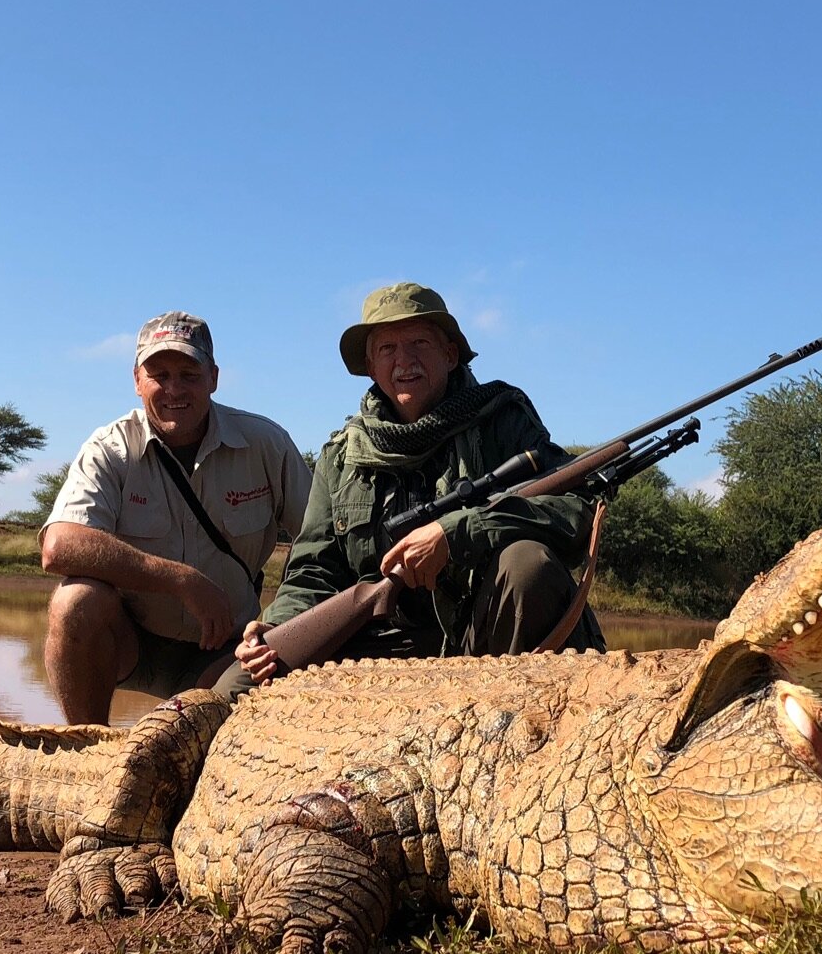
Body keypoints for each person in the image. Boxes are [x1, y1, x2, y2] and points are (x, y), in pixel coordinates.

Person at [223, 282, 599, 695]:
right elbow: (314, 568)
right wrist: (277, 626)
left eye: (420, 342)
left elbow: (573, 508)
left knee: (528, 564)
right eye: (387, 348)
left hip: (486, 632)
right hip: (381, 640)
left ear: (450, 354)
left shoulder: (502, 420)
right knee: (235, 686)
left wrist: (458, 534)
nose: (405, 360)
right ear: (370, 364)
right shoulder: (342, 454)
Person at [40, 312, 311, 724]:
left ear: (214, 377)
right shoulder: (109, 448)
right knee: (74, 601)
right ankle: (86, 746)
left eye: (189, 373)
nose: (174, 389)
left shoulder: (265, 443)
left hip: (230, 648)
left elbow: (320, 541)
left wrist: (275, 622)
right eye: (159, 374)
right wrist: (182, 581)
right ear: (136, 380)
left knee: (204, 736)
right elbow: (59, 546)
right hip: (131, 643)